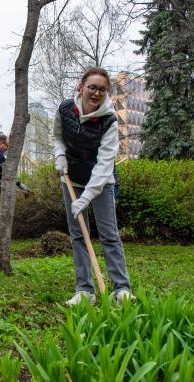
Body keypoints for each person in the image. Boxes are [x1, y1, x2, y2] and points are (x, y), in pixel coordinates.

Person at [53, 67, 134, 306]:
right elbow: (57, 136)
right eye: (92, 87)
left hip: (102, 183)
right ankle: (85, 291)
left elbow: (104, 166)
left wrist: (86, 197)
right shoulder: (65, 109)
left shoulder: (109, 120)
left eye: (102, 89)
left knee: (109, 235)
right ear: (81, 87)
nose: (97, 93)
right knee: (78, 235)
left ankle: (121, 289)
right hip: (72, 179)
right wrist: (59, 155)